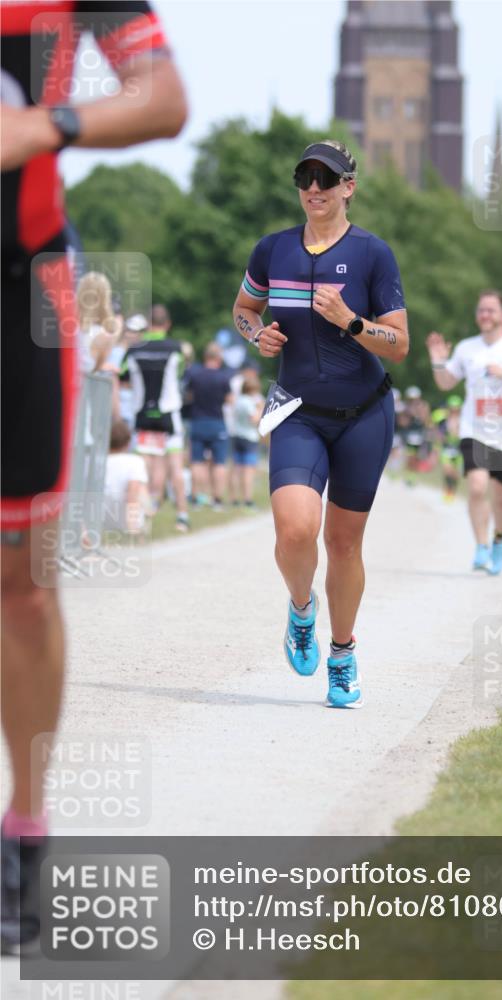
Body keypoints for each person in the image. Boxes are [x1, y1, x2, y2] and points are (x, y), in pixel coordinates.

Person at [1, 0, 186, 955]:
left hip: (17, 287)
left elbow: (165, 98)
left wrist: (47, 123)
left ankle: (24, 837)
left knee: (22, 586)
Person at [232, 139, 408, 708]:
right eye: (305, 178)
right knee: (294, 531)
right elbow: (243, 308)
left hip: (364, 415)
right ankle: (302, 610)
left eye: (326, 180)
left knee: (343, 542)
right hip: (297, 411)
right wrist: (257, 336)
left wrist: (352, 322)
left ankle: (342, 652)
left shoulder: (372, 254)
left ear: (348, 188)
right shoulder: (272, 250)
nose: (314, 188)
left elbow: (400, 344)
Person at [427, 290, 502, 575]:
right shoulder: (467, 348)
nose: (485, 315)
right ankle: (481, 547)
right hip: (474, 429)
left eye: (491, 310)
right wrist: (437, 360)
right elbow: (445, 383)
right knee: (478, 487)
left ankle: (499, 541)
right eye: (481, 310)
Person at [122, 304, 190, 531]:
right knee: (175, 467)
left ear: (147, 324)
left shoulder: (133, 350)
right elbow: (180, 373)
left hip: (142, 415)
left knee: (144, 466)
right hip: (169, 415)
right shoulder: (175, 348)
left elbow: (123, 377)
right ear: (167, 324)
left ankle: (141, 515)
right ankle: (182, 515)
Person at [184, 342, 233, 509]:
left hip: (198, 421)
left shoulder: (195, 375)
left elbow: (189, 397)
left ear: (205, 357)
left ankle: (197, 498)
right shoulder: (223, 377)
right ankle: (217, 500)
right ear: (219, 358)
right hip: (217, 422)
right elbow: (230, 401)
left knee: (197, 461)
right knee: (219, 463)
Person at [103, 419, 150, 535]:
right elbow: (132, 494)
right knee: (141, 487)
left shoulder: (99, 462)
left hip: (99, 519)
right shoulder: (135, 461)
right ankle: (140, 519)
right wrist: (132, 526)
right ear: (128, 442)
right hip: (123, 519)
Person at [229, 371, 264, 509]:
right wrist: (262, 409)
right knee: (248, 471)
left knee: (236, 469)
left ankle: (233, 498)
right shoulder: (249, 402)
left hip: (237, 435)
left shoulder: (238, 401)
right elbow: (254, 420)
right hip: (249, 438)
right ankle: (247, 499)